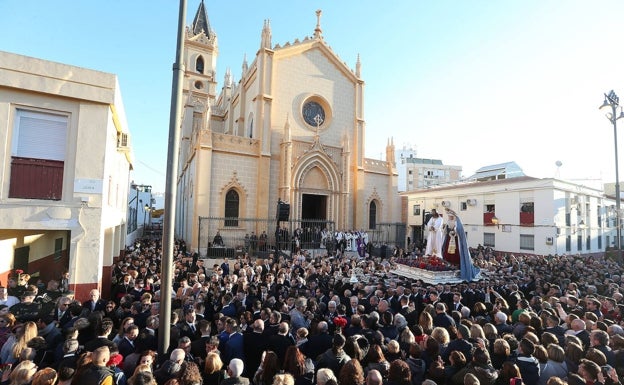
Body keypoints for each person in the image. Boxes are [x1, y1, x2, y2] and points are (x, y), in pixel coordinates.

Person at [442, 209, 480, 281]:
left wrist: (455, 233)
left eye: (451, 217)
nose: (449, 218)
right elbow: (445, 232)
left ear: (454, 217)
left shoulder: (457, 223)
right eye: (449, 217)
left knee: (457, 254)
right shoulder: (448, 223)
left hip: (457, 242)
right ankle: (449, 265)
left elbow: (460, 232)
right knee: (447, 253)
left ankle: (459, 266)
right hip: (449, 241)